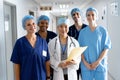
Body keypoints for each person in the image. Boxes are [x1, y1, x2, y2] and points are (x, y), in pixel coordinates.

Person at [10, 15, 50, 80]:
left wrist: (48, 77)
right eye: (29, 25)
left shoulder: (43, 42)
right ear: (25, 27)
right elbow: (17, 64)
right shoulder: (20, 43)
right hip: (26, 77)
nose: (32, 26)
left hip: (41, 77)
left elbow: (47, 61)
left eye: (33, 23)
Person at [78, 7, 112, 80]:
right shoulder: (82, 32)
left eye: (93, 15)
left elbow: (106, 48)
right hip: (86, 66)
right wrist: (85, 63)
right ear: (86, 17)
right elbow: (80, 49)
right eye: (88, 15)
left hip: (100, 65)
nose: (90, 17)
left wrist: (98, 61)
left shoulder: (103, 31)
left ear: (96, 16)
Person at [68, 8, 87, 80]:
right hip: (74, 56)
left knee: (85, 76)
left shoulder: (86, 28)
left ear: (81, 15)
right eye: (73, 14)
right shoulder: (70, 29)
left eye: (77, 14)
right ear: (72, 17)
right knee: (75, 76)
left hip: (85, 56)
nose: (75, 16)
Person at [36, 15, 57, 80]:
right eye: (42, 23)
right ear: (38, 24)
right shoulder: (35, 36)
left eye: (46, 23)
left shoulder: (53, 35)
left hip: (52, 64)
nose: (44, 25)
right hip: (40, 64)